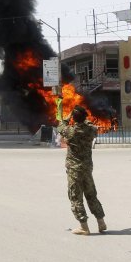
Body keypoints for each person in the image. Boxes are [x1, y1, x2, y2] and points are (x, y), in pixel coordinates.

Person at [56, 99, 106, 235]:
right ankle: (101, 222)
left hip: (74, 170)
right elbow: (91, 125)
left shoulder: (70, 132)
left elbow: (60, 127)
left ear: (74, 118)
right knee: (91, 195)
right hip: (87, 168)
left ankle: (84, 227)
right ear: (84, 117)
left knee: (75, 197)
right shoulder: (91, 130)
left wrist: (67, 119)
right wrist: (85, 119)